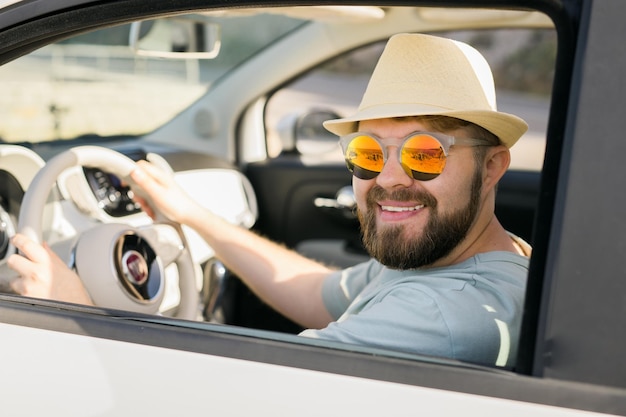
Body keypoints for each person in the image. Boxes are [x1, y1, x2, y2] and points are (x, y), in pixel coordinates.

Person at [7, 33, 531, 367]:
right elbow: (315, 292)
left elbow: (231, 398)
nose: (389, 179)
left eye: (425, 154)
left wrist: (77, 311)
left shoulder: (444, 316)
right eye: (368, 153)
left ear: (492, 166)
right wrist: (191, 215)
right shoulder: (448, 259)